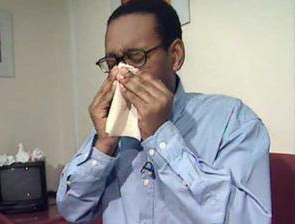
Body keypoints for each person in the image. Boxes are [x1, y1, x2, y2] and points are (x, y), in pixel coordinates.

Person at [56, 1, 271, 223]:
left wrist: (161, 136)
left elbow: (248, 218)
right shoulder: (112, 130)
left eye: (136, 56)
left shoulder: (233, 120)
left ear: (175, 56)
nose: (121, 73)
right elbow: (72, 210)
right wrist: (103, 145)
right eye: (113, 62)